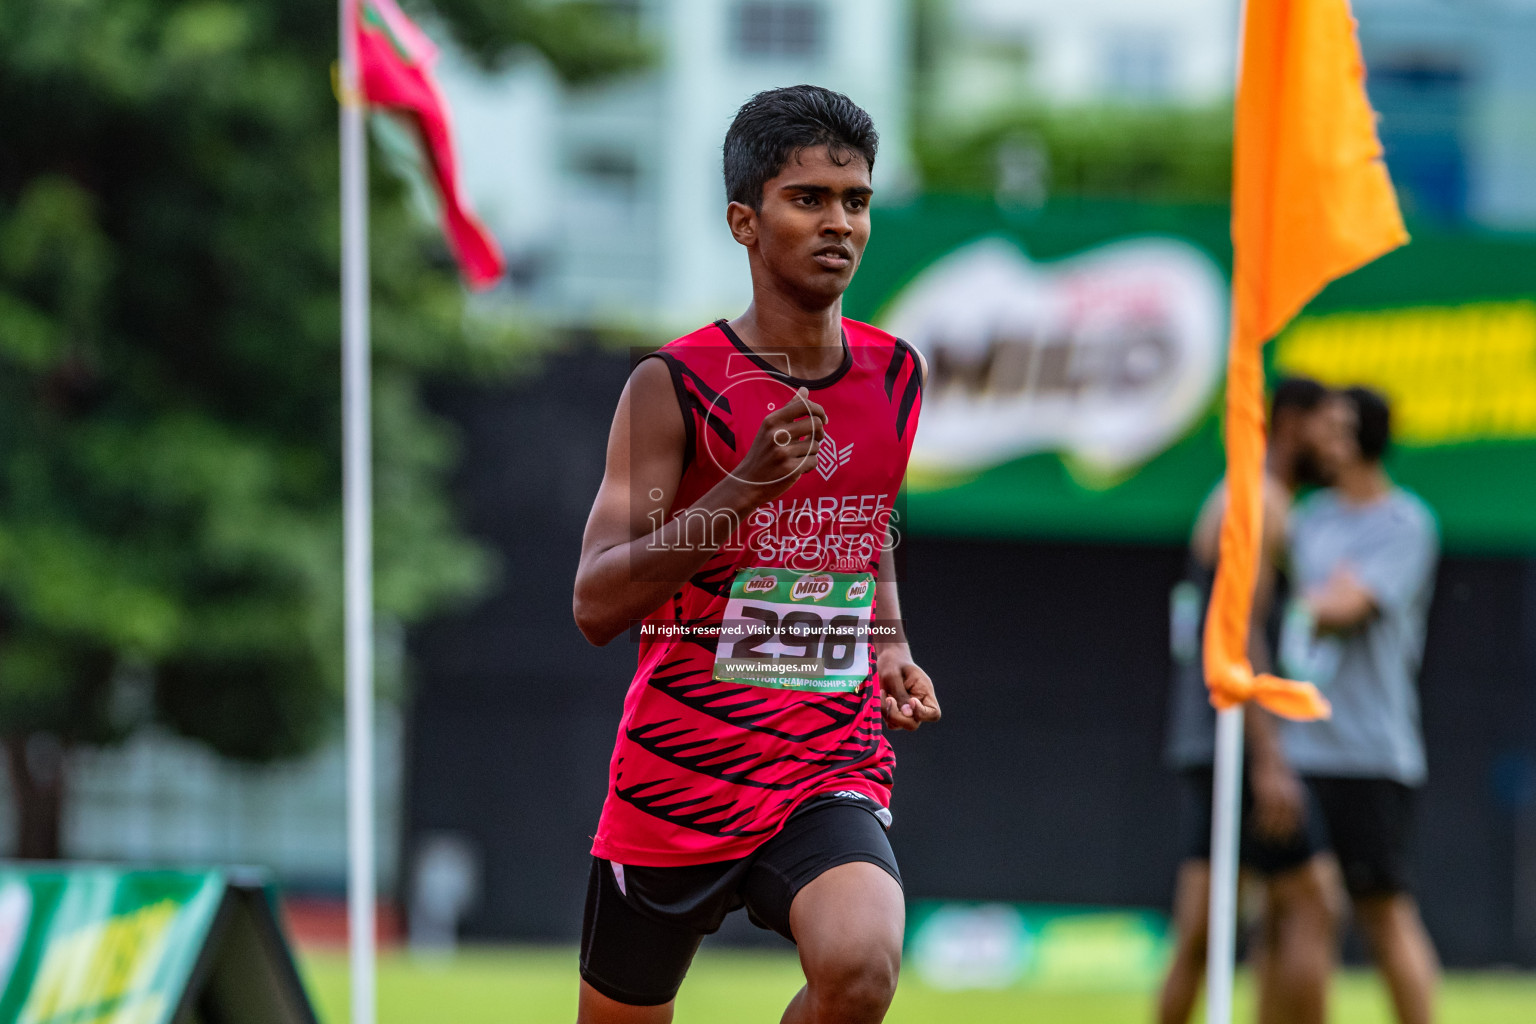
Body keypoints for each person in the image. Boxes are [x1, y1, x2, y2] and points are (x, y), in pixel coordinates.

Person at [571, 85, 940, 1024]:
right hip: (679, 769)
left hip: (828, 755)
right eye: (807, 199)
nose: (840, 224)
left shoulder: (895, 375)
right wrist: (741, 490)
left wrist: (890, 642)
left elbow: (869, 525)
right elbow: (597, 603)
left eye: (854, 200)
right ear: (745, 221)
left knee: (861, 966)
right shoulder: (676, 384)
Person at [1158, 377, 1338, 1024]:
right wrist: (1269, 758)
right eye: (1329, 428)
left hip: (1214, 732)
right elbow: (1243, 631)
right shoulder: (1259, 498)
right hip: (1231, 736)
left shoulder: (1247, 493)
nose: (1337, 447)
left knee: (1207, 932)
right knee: (1315, 902)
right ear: (1291, 424)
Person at [1279, 386, 1441, 1024]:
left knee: (1383, 909)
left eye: (1341, 426)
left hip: (1372, 751)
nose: (1327, 438)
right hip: (1301, 748)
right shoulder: (1309, 517)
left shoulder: (1407, 523)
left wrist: (1318, 601)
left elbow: (1344, 608)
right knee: (1299, 909)